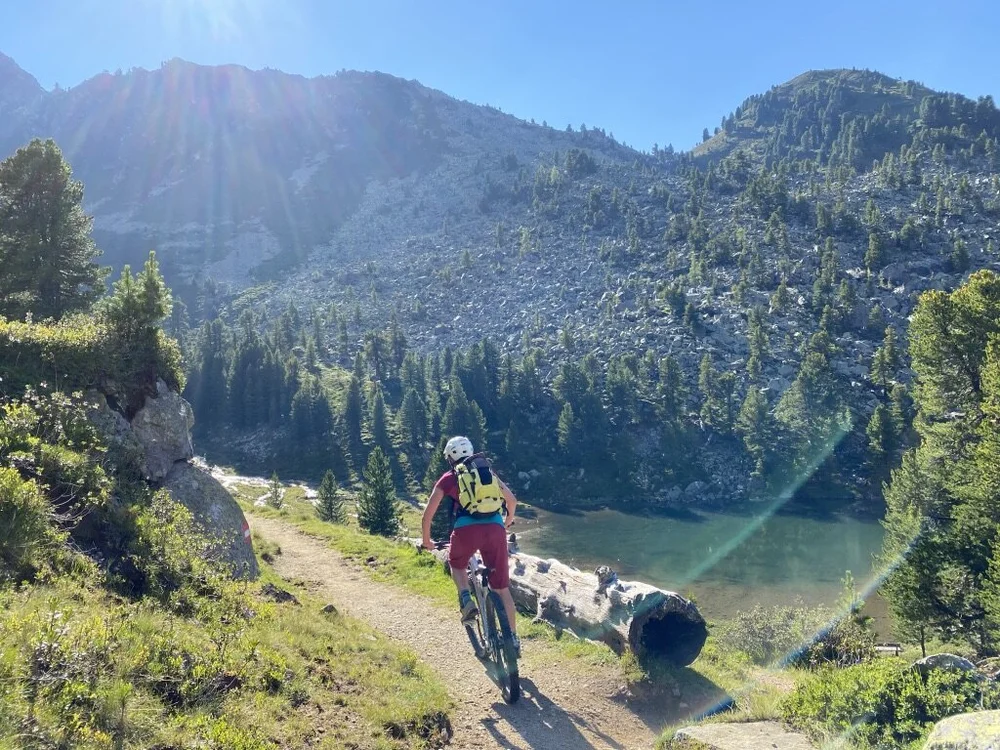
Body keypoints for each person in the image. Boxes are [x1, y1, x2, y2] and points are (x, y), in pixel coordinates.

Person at [421, 435, 519, 653]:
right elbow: (511, 500)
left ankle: (466, 598)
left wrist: (427, 541)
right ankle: (513, 639)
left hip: (466, 530)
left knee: (456, 564)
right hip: (495, 528)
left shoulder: (448, 477)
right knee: (502, 588)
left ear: (449, 458)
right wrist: (507, 521)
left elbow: (428, 515)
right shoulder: (487, 472)